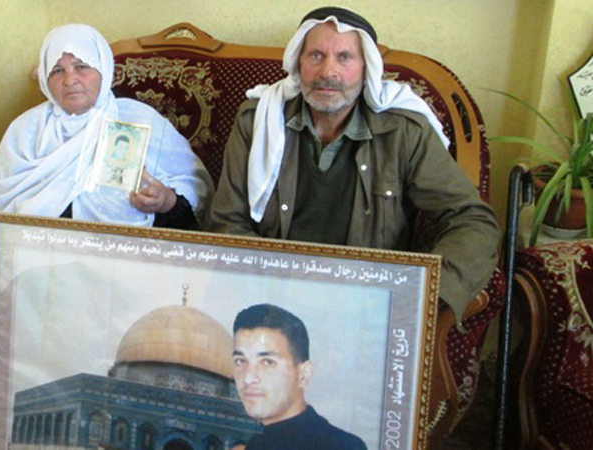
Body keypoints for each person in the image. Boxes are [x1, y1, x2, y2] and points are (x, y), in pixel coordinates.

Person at [209, 7, 500, 320]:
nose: (328, 72)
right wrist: (274, 289)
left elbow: (472, 219)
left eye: (344, 57)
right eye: (316, 55)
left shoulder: (404, 133)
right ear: (298, 63)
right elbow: (227, 222)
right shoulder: (257, 121)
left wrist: (424, 296)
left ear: (366, 69)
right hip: (270, 297)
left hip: (367, 309)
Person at [0, 24, 213, 254]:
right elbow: (0, 205)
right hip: (40, 257)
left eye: (81, 66)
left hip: (129, 259)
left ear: (104, 69)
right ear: (45, 78)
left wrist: (165, 201)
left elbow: (193, 192)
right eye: (57, 71)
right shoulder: (26, 129)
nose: (70, 80)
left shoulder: (140, 119)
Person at [232, 303, 367, 450]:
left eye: (268, 362)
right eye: (240, 361)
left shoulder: (341, 446)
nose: (248, 378)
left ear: (304, 374)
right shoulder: (255, 444)